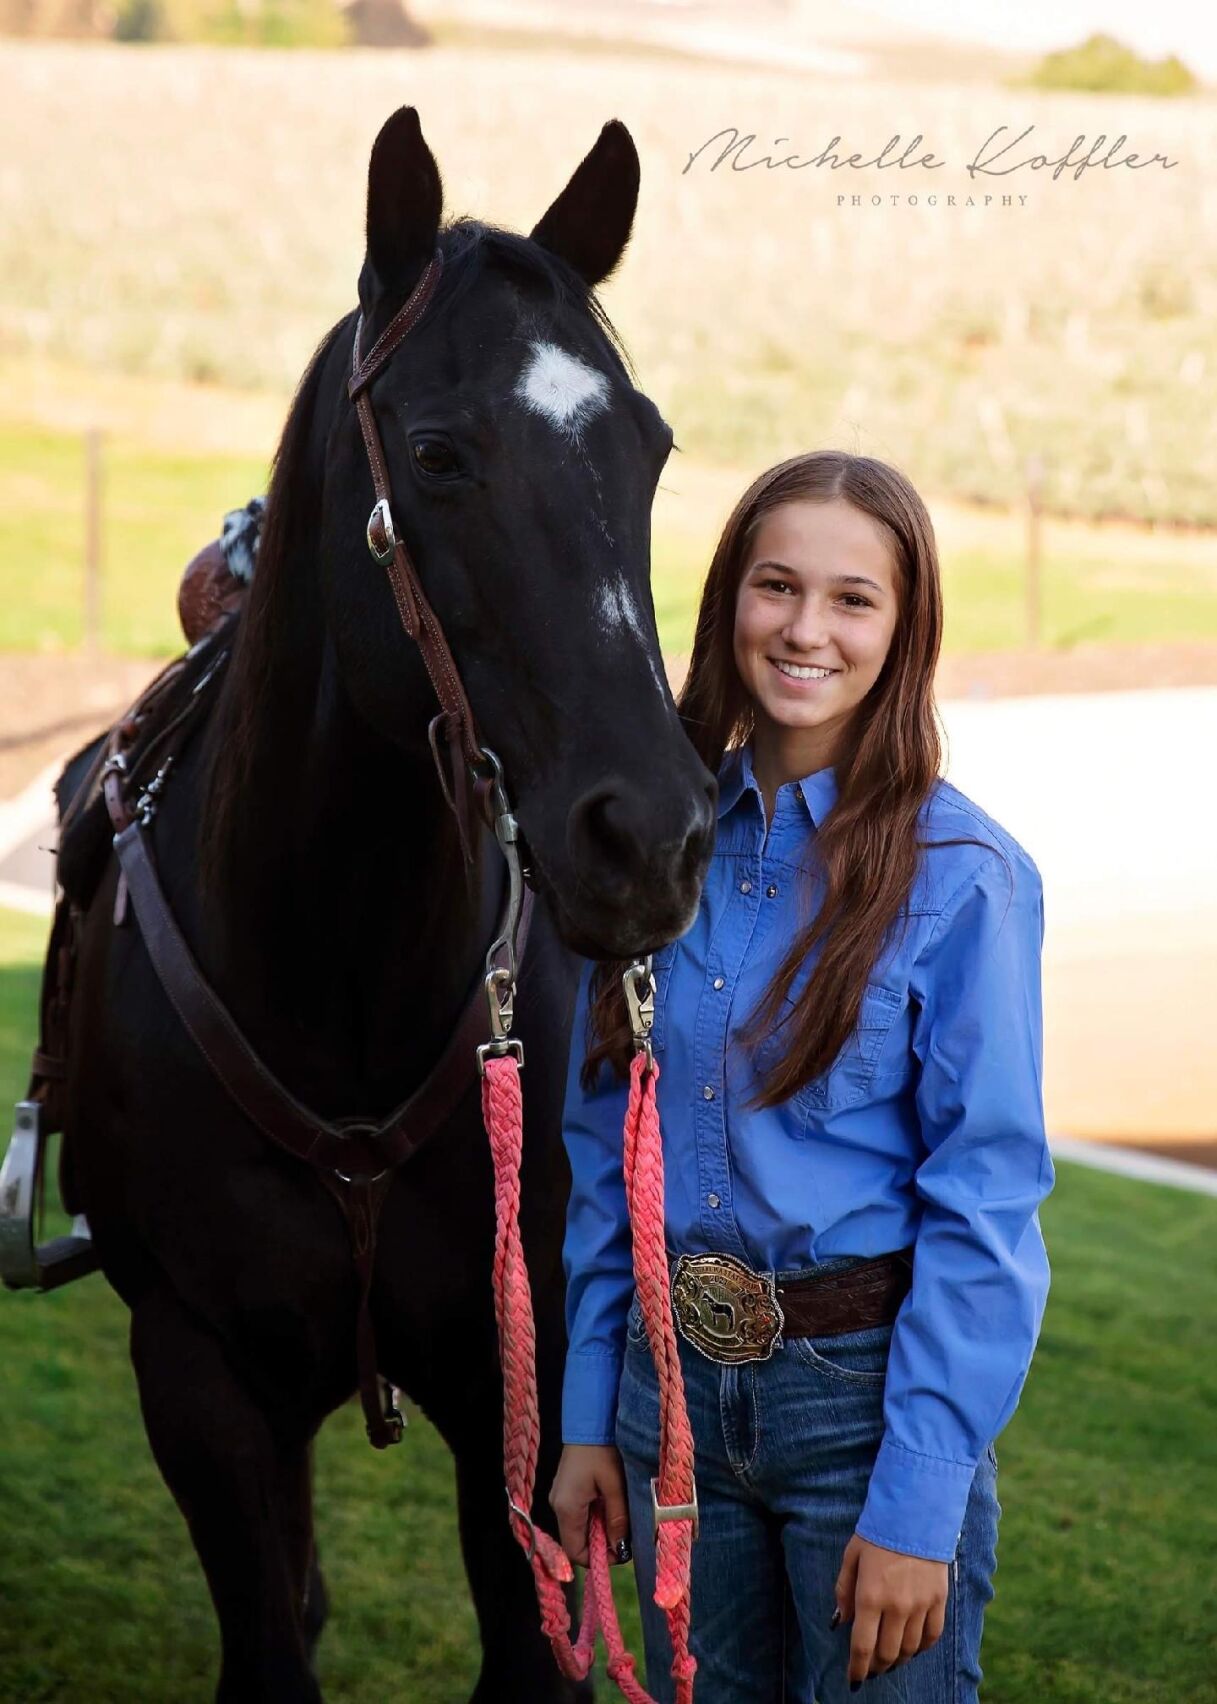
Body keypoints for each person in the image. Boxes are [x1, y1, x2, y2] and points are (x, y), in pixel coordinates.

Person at [548, 450, 1053, 1702]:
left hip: (861, 1415)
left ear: (903, 626)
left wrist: (920, 1499)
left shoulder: (964, 877)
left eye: (851, 599)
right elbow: (603, 1153)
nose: (805, 629)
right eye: (776, 587)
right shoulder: (652, 850)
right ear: (729, 600)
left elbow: (983, 1203)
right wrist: (586, 1410)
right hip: (667, 1418)